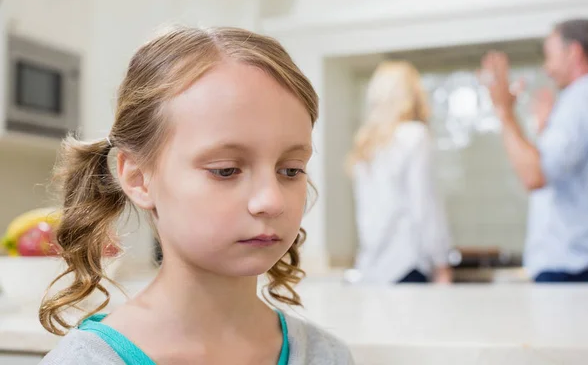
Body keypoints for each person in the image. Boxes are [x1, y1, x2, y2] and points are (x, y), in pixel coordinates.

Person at [40, 26, 354, 364]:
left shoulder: (327, 356)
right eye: (225, 170)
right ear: (138, 178)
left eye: (291, 170)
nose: (271, 201)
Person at [481, 18, 588, 283]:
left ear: (574, 53)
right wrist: (546, 131)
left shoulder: (580, 101)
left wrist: (503, 110)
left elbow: (534, 175)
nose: (547, 68)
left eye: (550, 56)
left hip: (573, 267)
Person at [347, 61, 453, 284]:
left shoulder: (367, 145)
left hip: (372, 269)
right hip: (407, 265)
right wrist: (441, 261)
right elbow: (424, 206)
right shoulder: (415, 135)